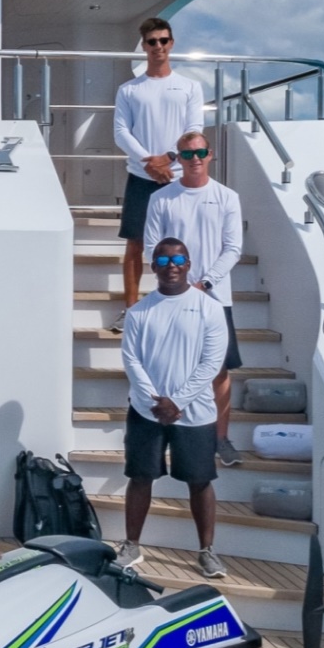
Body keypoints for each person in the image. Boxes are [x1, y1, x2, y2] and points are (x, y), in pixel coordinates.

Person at [119, 237, 229, 579]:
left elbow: (211, 363)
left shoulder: (210, 308)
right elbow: (131, 360)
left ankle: (207, 551)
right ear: (153, 267)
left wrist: (177, 401)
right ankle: (131, 545)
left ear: (188, 264)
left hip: (195, 413)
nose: (172, 267)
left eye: (178, 260)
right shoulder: (138, 312)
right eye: (164, 261)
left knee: (199, 481)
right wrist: (156, 401)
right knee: (140, 477)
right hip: (146, 411)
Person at [143, 129, 246, 466]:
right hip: (171, 298)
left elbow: (233, 248)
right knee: (166, 365)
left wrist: (205, 283)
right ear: (179, 158)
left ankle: (221, 439)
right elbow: (151, 246)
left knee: (219, 370)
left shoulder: (227, 197)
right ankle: (167, 434)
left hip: (215, 298)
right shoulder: (161, 198)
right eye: (187, 154)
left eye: (200, 153)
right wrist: (178, 285)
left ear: (210, 154)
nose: (195, 160)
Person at [110, 17, 207, 332]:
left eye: (163, 40)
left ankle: (182, 307)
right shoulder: (129, 90)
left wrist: (168, 158)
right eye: (152, 42)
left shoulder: (190, 87)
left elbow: (194, 130)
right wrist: (148, 162)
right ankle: (131, 311)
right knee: (135, 244)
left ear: (172, 43)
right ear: (144, 46)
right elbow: (121, 132)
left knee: (182, 244)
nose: (158, 46)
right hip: (140, 177)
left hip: (178, 177)